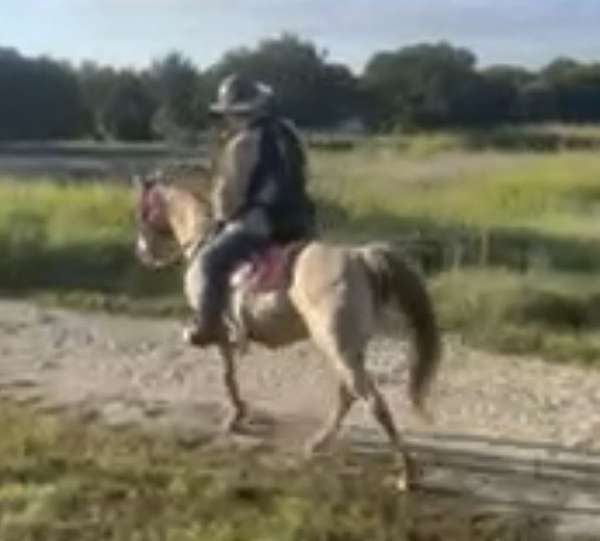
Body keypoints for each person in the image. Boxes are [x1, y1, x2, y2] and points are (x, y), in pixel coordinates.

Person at [187, 73, 316, 345]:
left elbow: (229, 196)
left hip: (263, 224)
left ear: (234, 113)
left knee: (210, 261)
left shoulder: (244, 142)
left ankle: (208, 325)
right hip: (302, 222)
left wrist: (221, 217)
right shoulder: (290, 133)